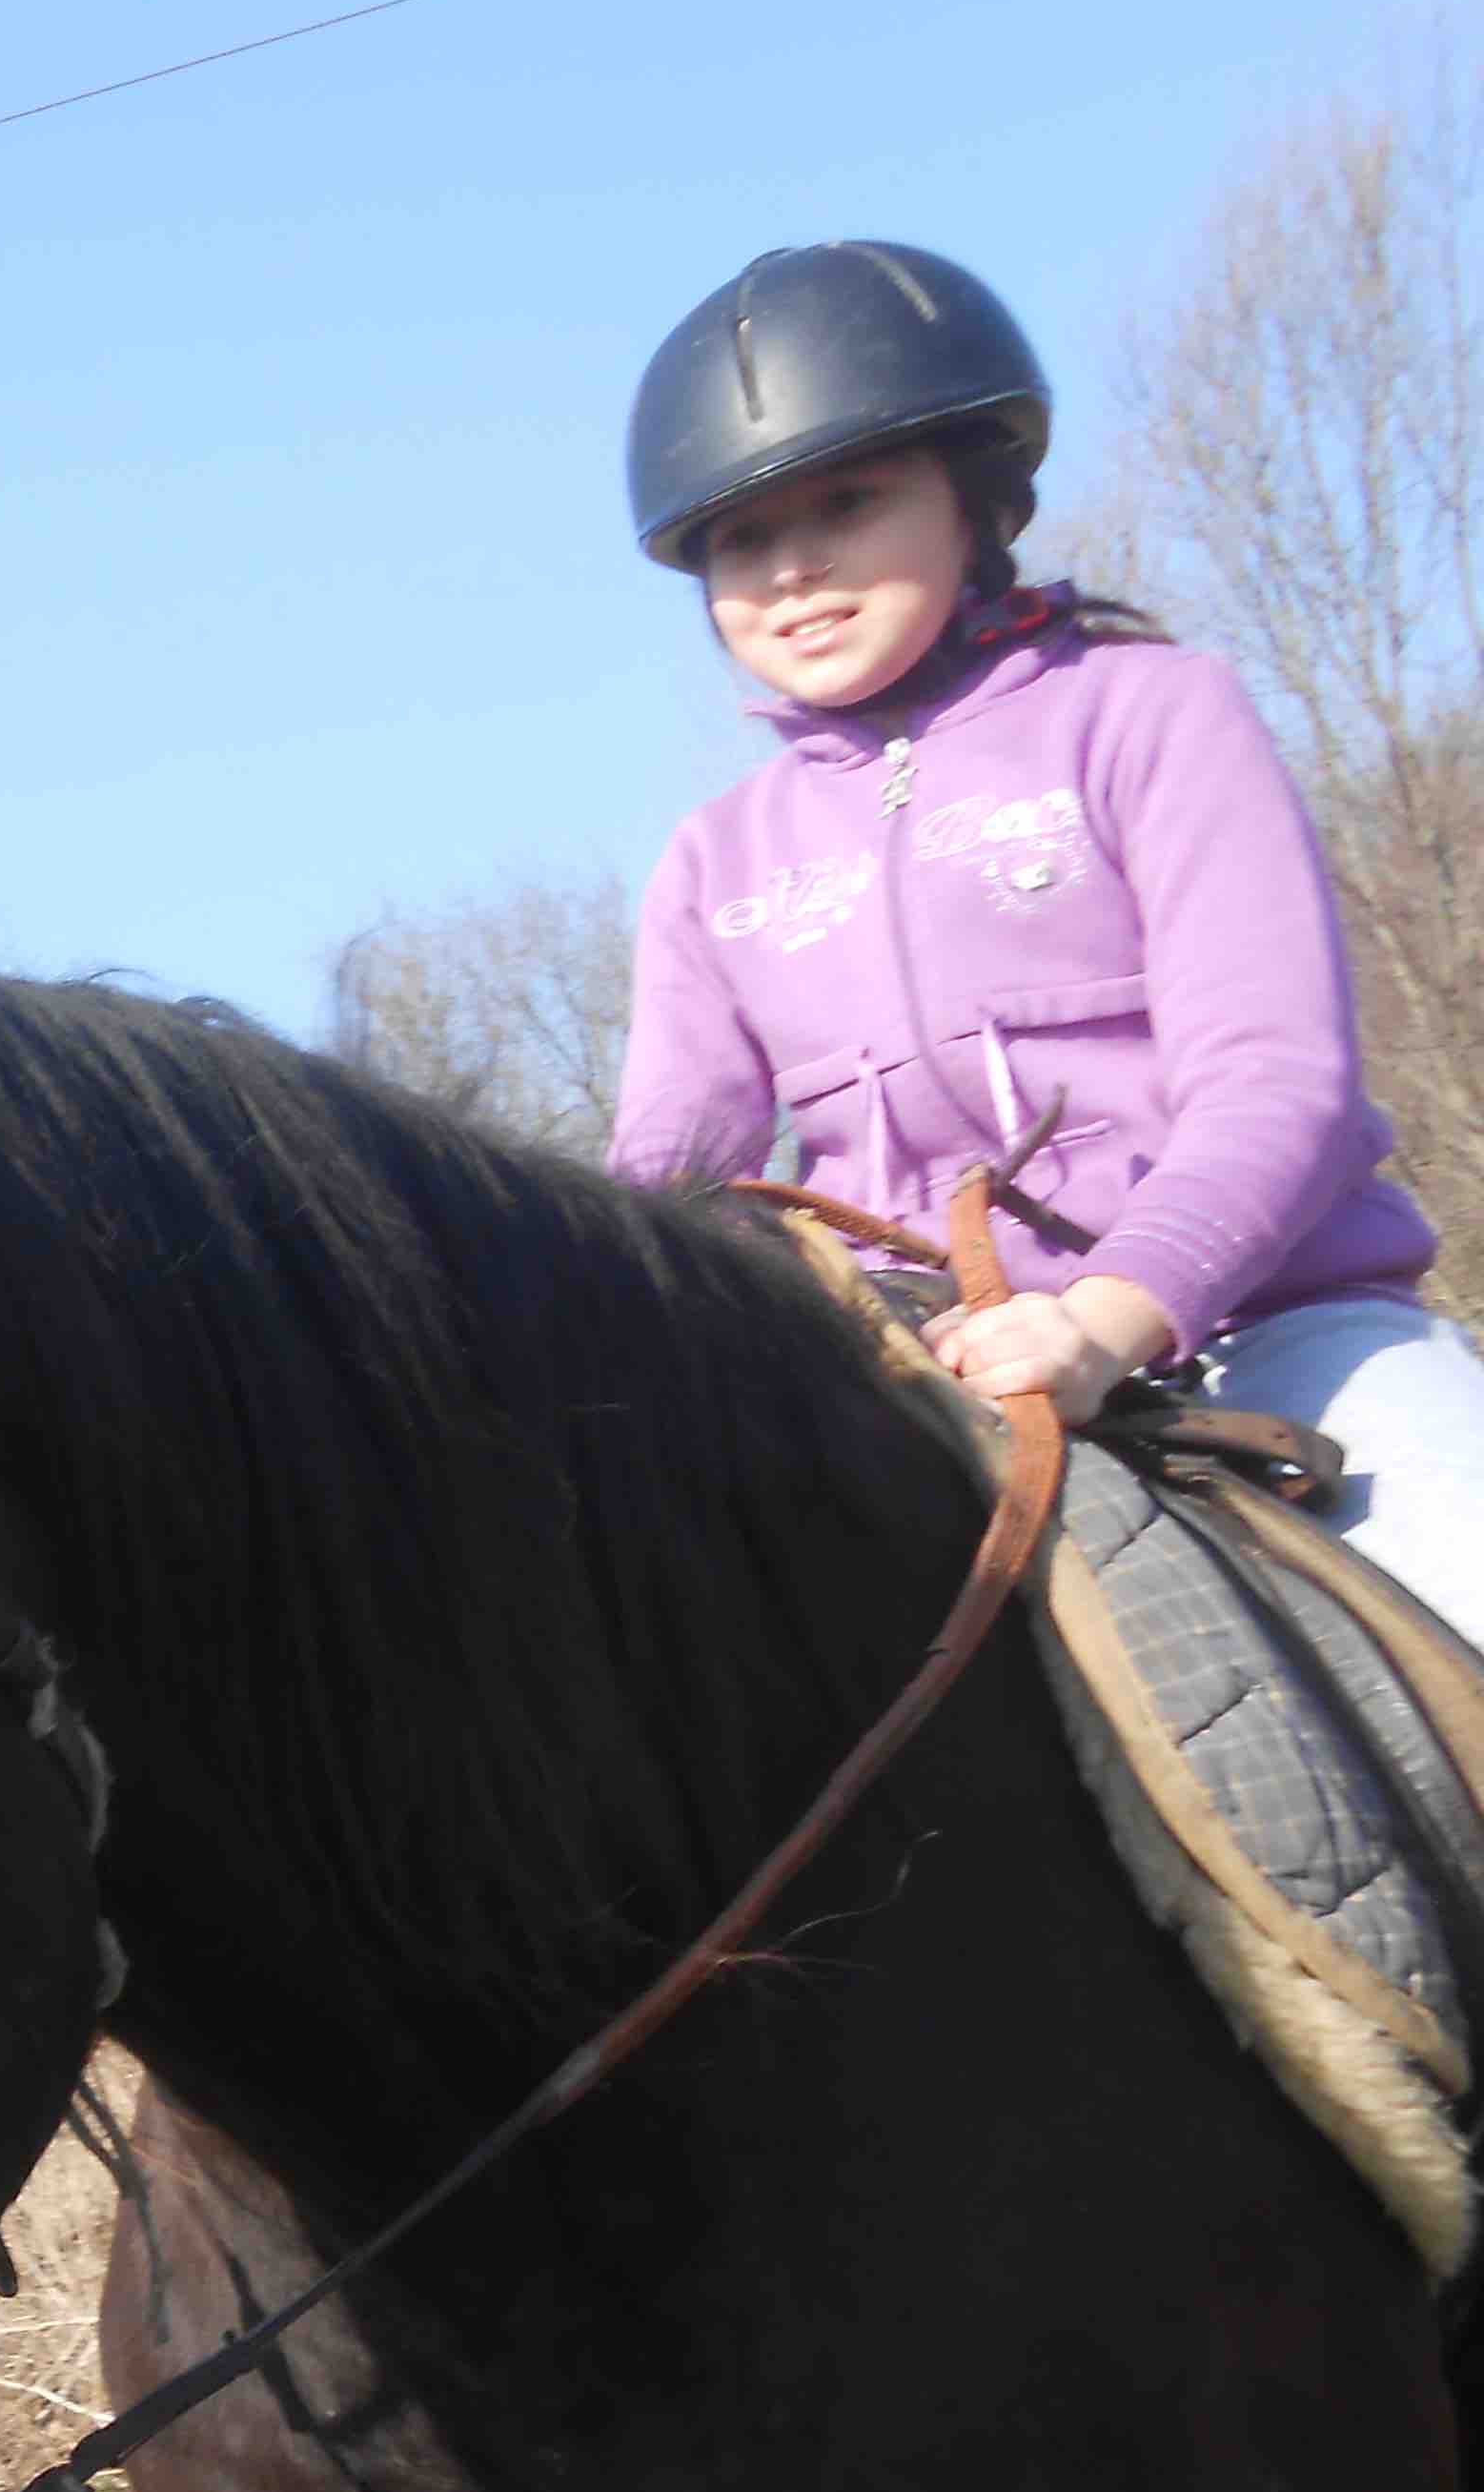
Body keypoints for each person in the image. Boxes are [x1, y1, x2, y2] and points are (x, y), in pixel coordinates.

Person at [604, 236, 1484, 1638]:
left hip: (1275, 1335)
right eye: (739, 539)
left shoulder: (1151, 715)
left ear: (975, 499)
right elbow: (666, 1189)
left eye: (849, 502)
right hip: (917, 1380)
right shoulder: (715, 865)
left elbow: (1281, 1088)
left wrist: (1105, 1318)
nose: (790, 570)